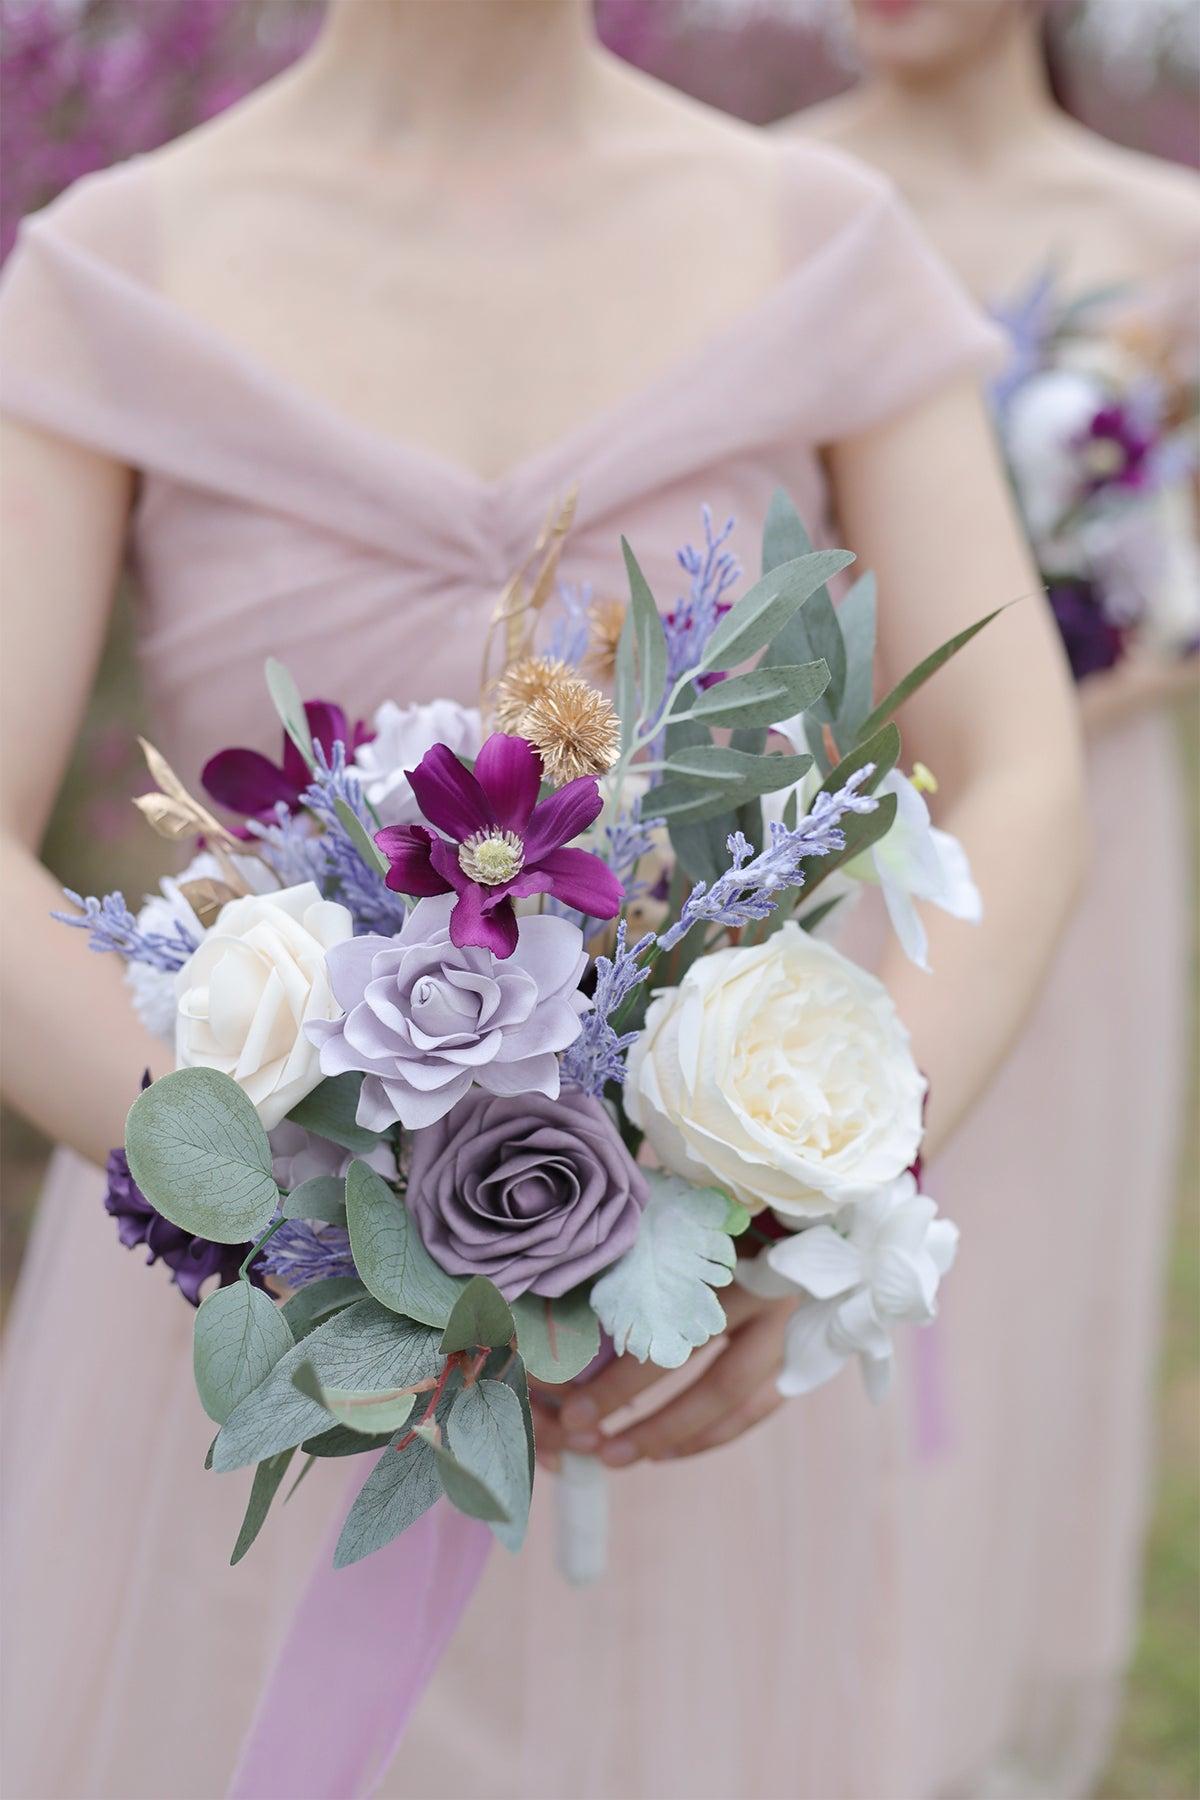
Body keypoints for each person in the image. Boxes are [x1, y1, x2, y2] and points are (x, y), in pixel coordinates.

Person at [0, 3, 1084, 1796]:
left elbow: (1020, 768)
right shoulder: (117, 265)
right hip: (254, 1325)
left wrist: (819, 1194)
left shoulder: (815, 245)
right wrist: (320, 1213)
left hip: (688, 1322)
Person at [787, 2, 1199, 1791]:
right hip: (803, 839)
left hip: (1072, 839)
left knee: (1012, 1307)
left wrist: (1032, 708)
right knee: (784, 1281)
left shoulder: (1161, 231)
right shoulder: (765, 198)